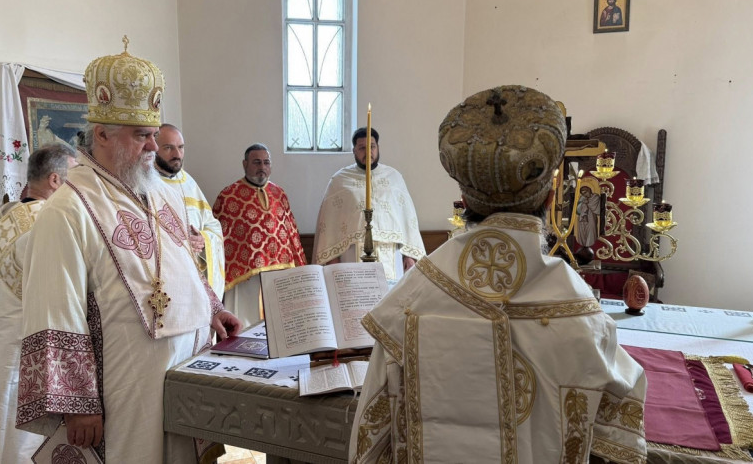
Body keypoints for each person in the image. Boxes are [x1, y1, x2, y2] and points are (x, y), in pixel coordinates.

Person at [350, 86, 647, 463]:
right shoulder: (579, 313)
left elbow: (371, 442)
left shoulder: (409, 302)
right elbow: (622, 437)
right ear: (549, 199)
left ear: (465, 201)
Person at [16, 43, 240, 463]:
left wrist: (212, 308)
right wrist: (78, 403)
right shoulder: (68, 208)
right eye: (142, 135)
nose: (154, 146)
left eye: (154, 134)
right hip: (127, 385)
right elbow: (54, 309)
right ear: (102, 134)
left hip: (186, 369)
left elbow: (182, 265)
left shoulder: (160, 193)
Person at [0, 143, 77, 463]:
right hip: (28, 343)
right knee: (24, 433)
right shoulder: (46, 222)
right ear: (55, 180)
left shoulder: (9, 216)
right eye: (74, 176)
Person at [312, 127, 425, 283]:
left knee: (391, 296)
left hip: (391, 256)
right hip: (351, 257)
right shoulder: (340, 180)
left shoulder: (394, 178)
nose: (368, 152)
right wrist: (332, 260)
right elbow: (329, 223)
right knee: (356, 296)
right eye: (362, 148)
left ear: (378, 148)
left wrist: (410, 256)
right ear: (354, 151)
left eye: (372, 146)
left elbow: (408, 220)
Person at [212, 144, 306, 328]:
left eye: (266, 162)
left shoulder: (279, 194)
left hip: (279, 271)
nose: (262, 167)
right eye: (256, 162)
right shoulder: (229, 195)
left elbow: (291, 231)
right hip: (244, 275)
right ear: (245, 164)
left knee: (278, 324)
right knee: (245, 321)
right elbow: (218, 236)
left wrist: (299, 264)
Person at [155, 123, 226, 298]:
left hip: (195, 281)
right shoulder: (145, 184)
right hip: (164, 280)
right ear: (153, 148)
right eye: (168, 148)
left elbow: (213, 225)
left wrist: (203, 239)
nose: (177, 154)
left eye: (180, 147)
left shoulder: (188, 183)